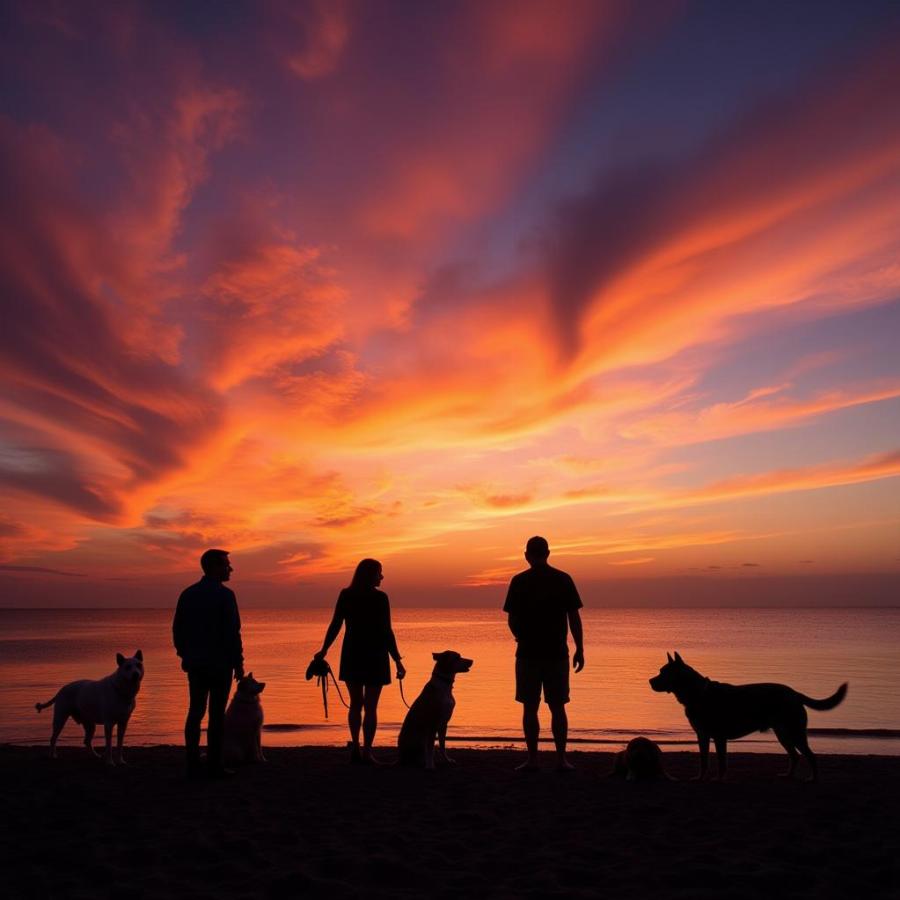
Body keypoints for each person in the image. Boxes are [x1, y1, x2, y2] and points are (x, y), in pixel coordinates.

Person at [503, 536, 584, 771]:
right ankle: (559, 759)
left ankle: (533, 759)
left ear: (527, 555)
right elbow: (574, 618)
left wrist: (520, 636)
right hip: (555, 653)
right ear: (548, 553)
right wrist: (580, 648)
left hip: (530, 653)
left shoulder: (520, 581)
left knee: (531, 706)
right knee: (557, 706)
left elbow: (512, 619)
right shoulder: (562, 579)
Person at [315, 558, 405, 763]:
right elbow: (386, 631)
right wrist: (397, 660)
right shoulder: (381, 598)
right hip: (374, 655)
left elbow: (335, 625)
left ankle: (356, 748)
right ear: (370, 574)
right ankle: (366, 752)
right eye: (379, 573)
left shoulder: (346, 595)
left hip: (353, 653)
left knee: (356, 704)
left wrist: (324, 650)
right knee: (370, 706)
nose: (382, 577)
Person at [173, 549, 244, 779]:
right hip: (220, 665)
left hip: (197, 664)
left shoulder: (188, 594)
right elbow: (233, 633)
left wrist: (184, 655)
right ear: (214, 567)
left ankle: (192, 764)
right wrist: (238, 662)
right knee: (215, 715)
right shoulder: (225, 595)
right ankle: (214, 765)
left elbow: (178, 630)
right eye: (226, 565)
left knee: (195, 712)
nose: (230, 569)